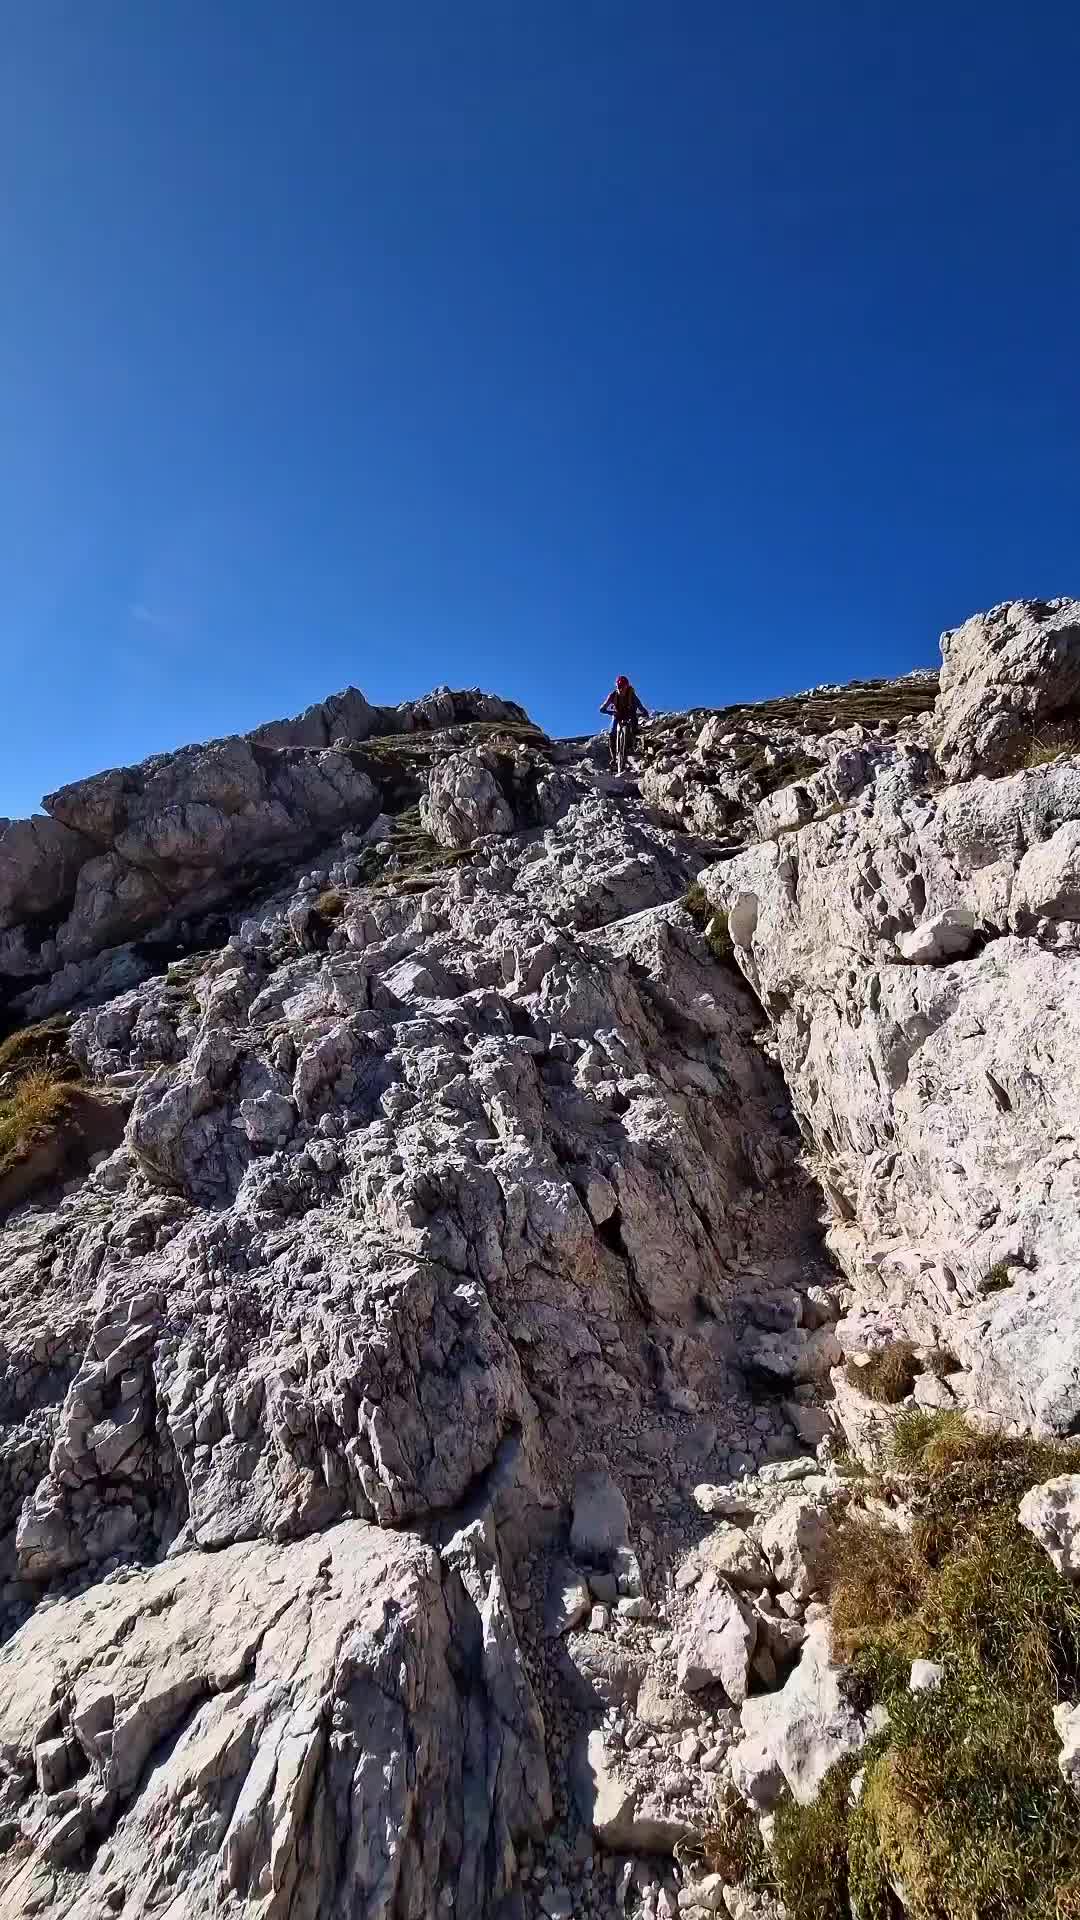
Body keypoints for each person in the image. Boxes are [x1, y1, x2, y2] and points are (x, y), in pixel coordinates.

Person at [600, 675, 649, 765]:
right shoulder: (612, 696)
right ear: (616, 687)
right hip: (617, 714)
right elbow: (602, 708)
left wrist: (644, 712)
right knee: (611, 733)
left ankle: (632, 745)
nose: (621, 689)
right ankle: (614, 758)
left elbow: (640, 706)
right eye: (619, 687)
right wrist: (610, 712)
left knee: (633, 725)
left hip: (629, 714)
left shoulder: (632, 695)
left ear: (627, 686)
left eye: (623, 687)